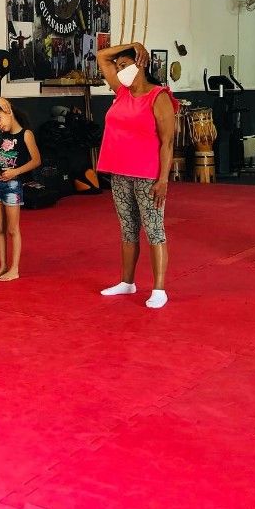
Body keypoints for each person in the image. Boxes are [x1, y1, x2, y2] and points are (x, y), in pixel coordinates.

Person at [96, 42, 178, 309]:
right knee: (128, 229)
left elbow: (167, 142)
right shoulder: (121, 92)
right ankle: (127, 282)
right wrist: (133, 45)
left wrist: (163, 179)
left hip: (147, 175)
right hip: (119, 172)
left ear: (140, 63)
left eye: (124, 65)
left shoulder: (158, 96)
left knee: (154, 229)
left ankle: (159, 288)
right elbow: (102, 56)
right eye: (118, 67)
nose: (119, 70)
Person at [0, 97, 41, 281]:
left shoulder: (26, 134)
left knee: (12, 229)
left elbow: (36, 160)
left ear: (8, 111)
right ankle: (3, 265)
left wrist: (15, 172)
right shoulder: (5, 132)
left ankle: (14, 269)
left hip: (12, 186)